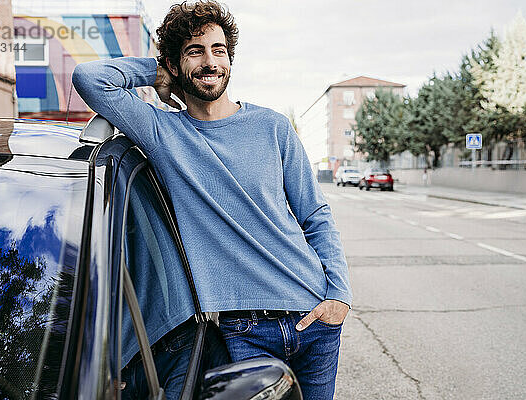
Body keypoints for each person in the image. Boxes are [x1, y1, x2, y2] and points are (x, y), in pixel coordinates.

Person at [72, 1, 353, 398]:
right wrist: (154, 73)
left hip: (314, 316)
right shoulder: (162, 131)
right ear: (175, 62)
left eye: (218, 50)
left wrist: (339, 294)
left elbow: (315, 215)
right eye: (195, 51)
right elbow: (90, 78)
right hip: (244, 332)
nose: (210, 62)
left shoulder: (273, 126)